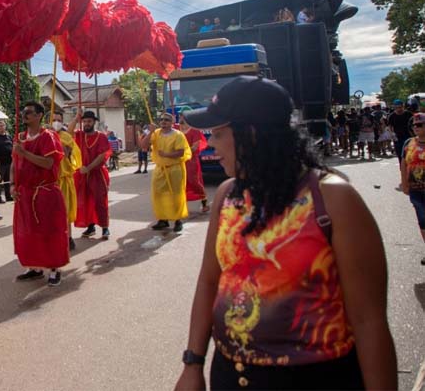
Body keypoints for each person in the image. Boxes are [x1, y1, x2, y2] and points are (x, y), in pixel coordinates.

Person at [175, 76, 397, 390]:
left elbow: (369, 322)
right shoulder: (227, 195)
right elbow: (210, 280)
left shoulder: (333, 199)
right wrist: (193, 364)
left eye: (219, 133)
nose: (210, 142)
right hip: (230, 375)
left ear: (250, 133)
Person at [12, 102, 69, 285]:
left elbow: (48, 164)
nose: (24, 115)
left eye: (28, 112)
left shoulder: (49, 137)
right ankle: (34, 267)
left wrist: (25, 153)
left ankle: (54, 269)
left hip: (45, 192)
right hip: (25, 193)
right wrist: (12, 185)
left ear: (39, 115)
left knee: (50, 231)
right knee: (29, 232)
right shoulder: (20, 137)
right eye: (23, 112)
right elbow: (14, 164)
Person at [141, 113, 191, 232]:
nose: (163, 121)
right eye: (162, 119)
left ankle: (178, 220)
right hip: (160, 169)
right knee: (159, 194)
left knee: (176, 195)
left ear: (172, 122)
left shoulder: (178, 135)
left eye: (167, 120)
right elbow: (143, 145)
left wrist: (166, 154)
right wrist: (150, 132)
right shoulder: (156, 133)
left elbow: (180, 152)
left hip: (175, 169)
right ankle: (163, 220)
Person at [69, 110, 112, 240]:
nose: (87, 123)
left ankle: (105, 228)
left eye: (89, 121)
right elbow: (68, 132)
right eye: (85, 121)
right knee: (84, 200)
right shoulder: (79, 135)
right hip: (81, 173)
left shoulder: (101, 137)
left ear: (94, 122)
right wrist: (76, 119)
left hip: (97, 173)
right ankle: (90, 226)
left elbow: (102, 155)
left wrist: (89, 168)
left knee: (100, 201)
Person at [52, 111, 82, 251]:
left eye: (59, 120)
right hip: (50, 181)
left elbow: (65, 149)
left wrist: (76, 118)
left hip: (64, 180)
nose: (56, 122)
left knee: (66, 210)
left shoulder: (65, 137)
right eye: (54, 120)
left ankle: (68, 238)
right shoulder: (45, 136)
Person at [401, 113, 425, 265]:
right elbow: (404, 164)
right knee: (422, 220)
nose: (416, 127)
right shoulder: (408, 143)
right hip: (416, 190)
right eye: (414, 125)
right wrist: (404, 184)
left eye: (420, 125)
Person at [179, 114, 209, 212]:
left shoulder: (195, 130)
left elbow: (195, 147)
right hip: (179, 160)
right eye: (180, 117)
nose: (181, 119)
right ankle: (180, 205)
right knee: (180, 183)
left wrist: (182, 152)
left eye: (183, 117)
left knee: (194, 181)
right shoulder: (176, 130)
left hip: (191, 160)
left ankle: (204, 201)